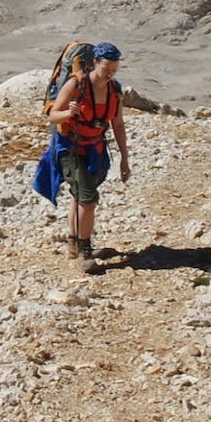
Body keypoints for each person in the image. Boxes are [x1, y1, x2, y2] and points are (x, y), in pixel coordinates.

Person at [42, 42, 130, 273]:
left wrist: (124, 158)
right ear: (95, 64)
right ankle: (85, 250)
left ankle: (74, 242)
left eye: (114, 68)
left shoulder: (115, 90)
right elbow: (53, 116)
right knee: (88, 200)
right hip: (71, 148)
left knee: (80, 196)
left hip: (95, 149)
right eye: (106, 68)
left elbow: (118, 124)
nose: (110, 73)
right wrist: (69, 113)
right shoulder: (76, 85)